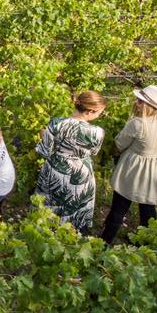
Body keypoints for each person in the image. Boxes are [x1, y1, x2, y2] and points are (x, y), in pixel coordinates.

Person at [101, 86, 157, 244]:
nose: (137, 104)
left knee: (119, 207)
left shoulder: (138, 124)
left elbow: (119, 145)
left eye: (140, 101)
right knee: (148, 208)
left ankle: (104, 242)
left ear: (148, 105)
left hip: (133, 170)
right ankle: (144, 245)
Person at [34, 91, 107, 234]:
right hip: (80, 174)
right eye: (100, 112)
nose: (100, 115)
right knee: (75, 209)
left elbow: (44, 151)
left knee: (49, 209)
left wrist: (44, 136)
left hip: (54, 171)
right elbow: (93, 152)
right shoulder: (97, 132)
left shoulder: (55, 123)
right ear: (90, 111)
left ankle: (46, 238)